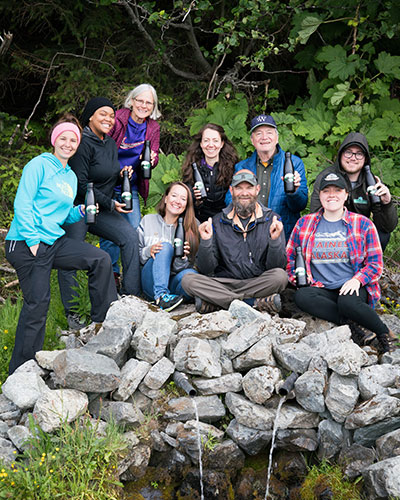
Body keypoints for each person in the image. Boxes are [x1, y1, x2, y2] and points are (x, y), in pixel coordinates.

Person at [5, 115, 117, 374]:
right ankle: (20, 371)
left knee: (99, 259)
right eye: (63, 138)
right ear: (55, 140)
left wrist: (78, 212)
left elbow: (61, 214)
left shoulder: (69, 177)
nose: (68, 143)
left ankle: (103, 323)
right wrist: (33, 241)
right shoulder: (39, 165)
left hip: (52, 242)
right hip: (25, 242)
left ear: (78, 145)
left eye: (73, 140)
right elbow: (22, 204)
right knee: (38, 304)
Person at [287, 171, 395, 354]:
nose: (331, 195)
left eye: (337, 190)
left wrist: (357, 280)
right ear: (320, 195)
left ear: (346, 195)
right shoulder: (304, 223)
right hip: (321, 288)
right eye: (326, 191)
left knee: (347, 302)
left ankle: (384, 333)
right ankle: (353, 325)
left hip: (352, 287)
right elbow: (291, 259)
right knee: (302, 297)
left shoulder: (362, 223)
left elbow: (375, 264)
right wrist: (299, 279)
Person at [57, 97, 140, 329]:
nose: (109, 119)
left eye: (112, 116)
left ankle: (131, 297)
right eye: (103, 114)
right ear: (90, 116)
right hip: (78, 209)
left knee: (130, 237)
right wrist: (112, 204)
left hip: (101, 209)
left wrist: (122, 173)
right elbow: (81, 185)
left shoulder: (111, 144)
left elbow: (107, 178)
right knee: (69, 256)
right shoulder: (81, 143)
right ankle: (73, 312)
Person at [182, 169, 288, 313]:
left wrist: (275, 241)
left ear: (257, 190)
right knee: (188, 280)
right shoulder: (217, 221)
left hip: (258, 282)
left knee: (280, 277)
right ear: (231, 191)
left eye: (249, 187)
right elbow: (206, 269)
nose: (244, 193)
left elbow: (277, 266)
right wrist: (206, 241)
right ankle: (252, 303)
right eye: (239, 188)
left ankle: (219, 302)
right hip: (225, 283)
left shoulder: (272, 219)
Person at [100, 84, 161, 286]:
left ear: (153, 107)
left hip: (131, 186)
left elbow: (154, 157)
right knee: (110, 234)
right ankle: (112, 276)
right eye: (140, 101)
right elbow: (102, 148)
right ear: (132, 101)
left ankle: (132, 278)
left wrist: (153, 159)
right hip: (109, 184)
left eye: (148, 103)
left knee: (133, 230)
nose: (144, 106)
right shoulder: (117, 120)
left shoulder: (153, 128)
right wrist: (115, 170)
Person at [310, 132, 398, 250]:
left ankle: (370, 263)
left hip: (359, 232)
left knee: (382, 234)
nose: (353, 158)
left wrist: (387, 202)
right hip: (331, 232)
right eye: (348, 152)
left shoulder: (371, 181)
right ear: (340, 155)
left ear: (365, 159)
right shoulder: (327, 177)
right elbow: (315, 214)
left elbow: (387, 227)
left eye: (359, 154)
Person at [225, 114, 308, 240]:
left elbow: (300, 205)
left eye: (269, 132)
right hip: (250, 235)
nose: (264, 137)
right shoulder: (242, 167)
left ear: (277, 138)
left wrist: (294, 192)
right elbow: (229, 201)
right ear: (252, 140)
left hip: (283, 235)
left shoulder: (294, 163)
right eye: (258, 133)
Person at [138, 182, 199, 312]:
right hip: (151, 281)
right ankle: (161, 297)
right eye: (174, 196)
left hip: (173, 282)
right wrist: (149, 250)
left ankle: (178, 298)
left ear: (186, 205)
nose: (177, 201)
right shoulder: (148, 221)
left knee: (191, 274)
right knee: (165, 247)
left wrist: (182, 258)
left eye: (183, 199)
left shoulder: (190, 229)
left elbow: (181, 269)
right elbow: (135, 256)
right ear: (166, 198)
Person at [182, 123, 239, 222]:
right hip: (199, 221)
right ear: (201, 144)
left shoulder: (234, 167)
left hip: (227, 221)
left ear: (222, 144)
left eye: (215, 141)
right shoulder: (192, 167)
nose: (211, 145)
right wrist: (195, 198)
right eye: (206, 140)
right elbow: (186, 202)